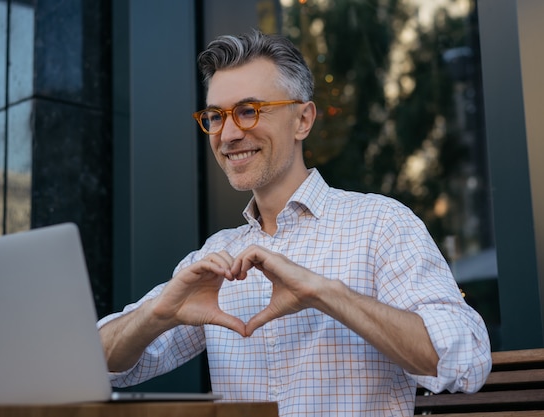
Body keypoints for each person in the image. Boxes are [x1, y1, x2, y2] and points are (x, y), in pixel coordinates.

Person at [98, 30, 492, 416]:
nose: (229, 134)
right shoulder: (215, 258)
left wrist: (325, 293)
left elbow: (467, 360)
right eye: (216, 116)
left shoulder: (380, 224)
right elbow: (97, 365)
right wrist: (156, 314)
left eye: (249, 111)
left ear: (303, 119)